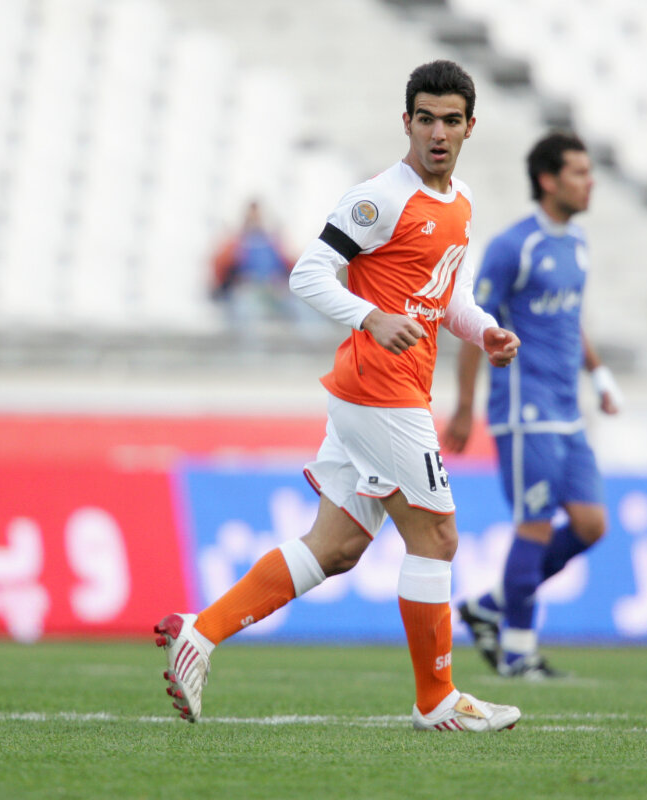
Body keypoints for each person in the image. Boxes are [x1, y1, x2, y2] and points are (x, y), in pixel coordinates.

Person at [155, 60, 523, 732]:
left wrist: (486, 330)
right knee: (437, 536)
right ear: (406, 121)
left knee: (336, 546)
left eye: (450, 121)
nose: (437, 133)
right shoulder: (380, 199)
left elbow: (450, 298)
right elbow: (307, 273)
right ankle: (436, 700)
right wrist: (370, 317)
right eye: (425, 119)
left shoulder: (461, 202)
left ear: (471, 126)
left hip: (380, 392)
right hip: (381, 392)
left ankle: (198, 634)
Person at [444, 131, 623, 679]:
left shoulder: (578, 243)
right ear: (548, 180)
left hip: (569, 411)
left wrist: (599, 374)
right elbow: (476, 325)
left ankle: (489, 606)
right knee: (535, 525)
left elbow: (570, 319)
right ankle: (520, 653)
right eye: (579, 173)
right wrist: (464, 405)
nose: (590, 182)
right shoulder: (512, 247)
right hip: (525, 412)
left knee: (591, 524)